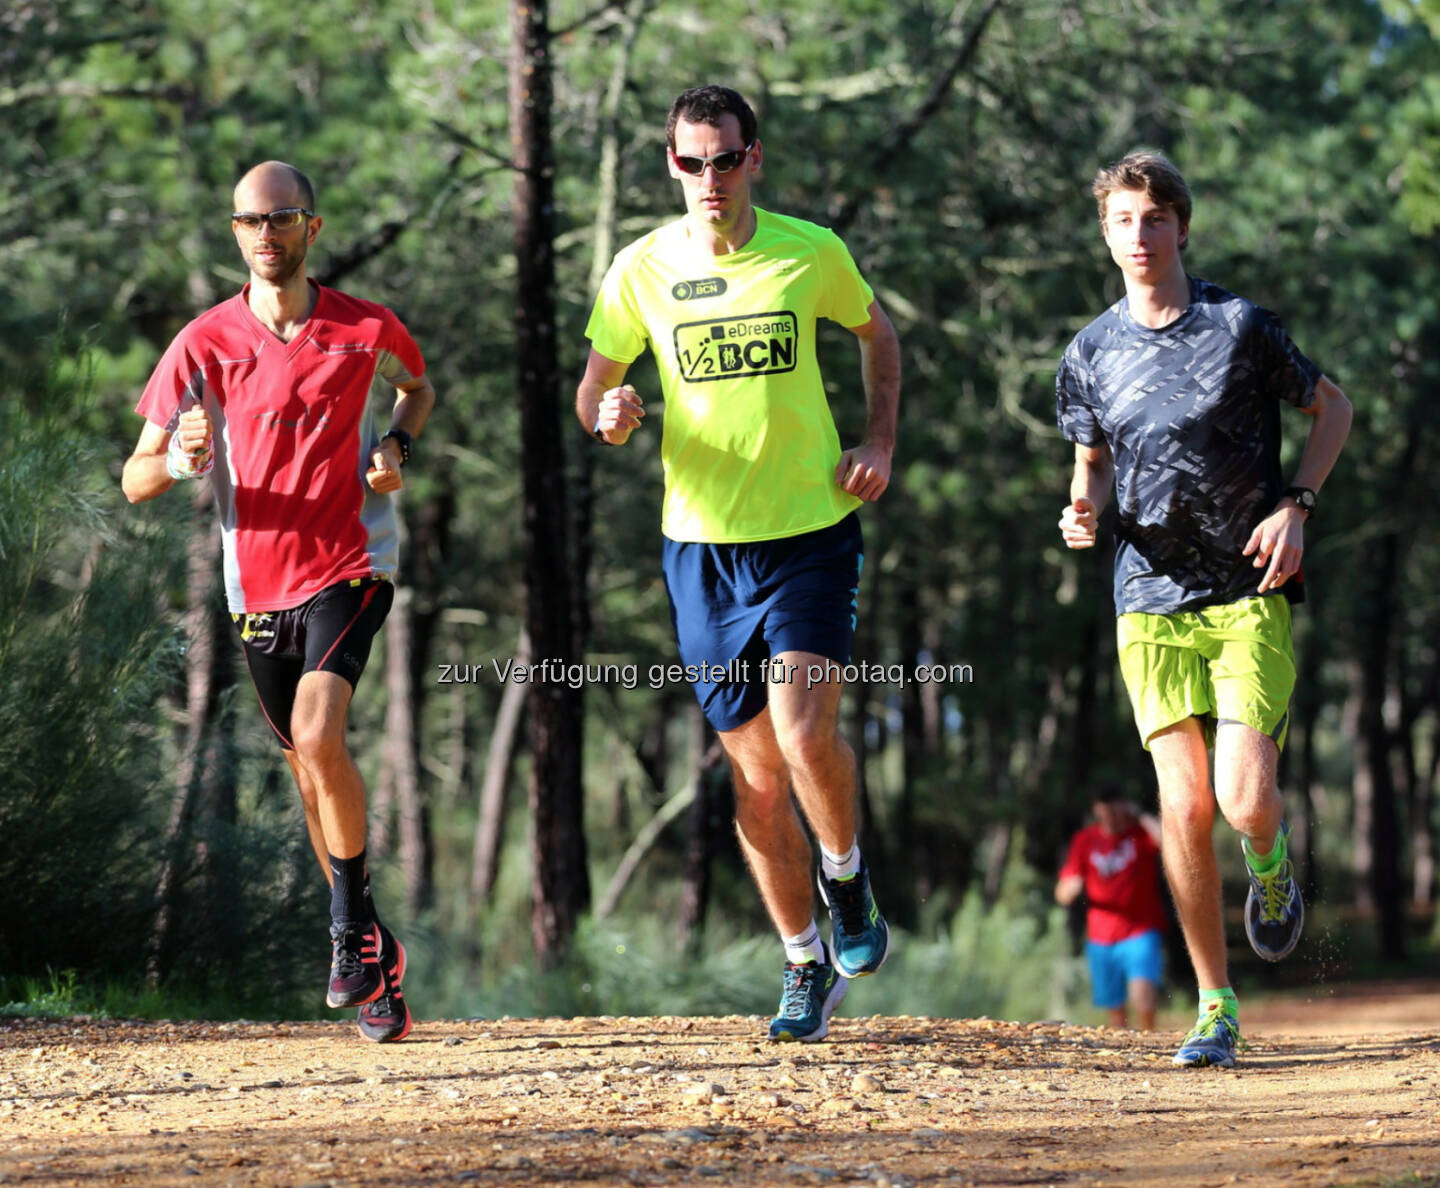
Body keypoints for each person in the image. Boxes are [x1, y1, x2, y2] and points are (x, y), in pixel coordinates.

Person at [576, 85, 901, 1042]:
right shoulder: (640, 270)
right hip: (702, 551)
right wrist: (609, 415)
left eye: (725, 159)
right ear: (670, 165)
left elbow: (879, 339)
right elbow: (595, 386)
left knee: (805, 738)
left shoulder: (810, 251)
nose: (709, 179)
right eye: (691, 162)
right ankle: (803, 961)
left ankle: (848, 882)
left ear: (754, 158)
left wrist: (878, 443)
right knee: (756, 782)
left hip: (810, 531)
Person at [122, 161, 435, 1043]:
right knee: (306, 770)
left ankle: (343, 934)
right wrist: (184, 459)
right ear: (235, 233)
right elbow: (135, 477)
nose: (267, 233)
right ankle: (373, 947)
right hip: (255, 585)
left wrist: (397, 448)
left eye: (283, 218)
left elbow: (418, 387)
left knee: (318, 733)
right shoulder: (203, 341)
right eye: (251, 222)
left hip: (353, 563)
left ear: (313, 228)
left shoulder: (365, 326)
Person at [1055, 150, 1352, 1068]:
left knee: (1241, 799)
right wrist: (1081, 512)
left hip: (1245, 590)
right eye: (1120, 222)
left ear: (1181, 224)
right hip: (1146, 600)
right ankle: (1215, 1007)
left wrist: (1295, 504)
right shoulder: (1089, 352)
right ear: (1104, 234)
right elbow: (1093, 465)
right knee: (1180, 810)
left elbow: (1331, 408)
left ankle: (1269, 864)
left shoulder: (1239, 326)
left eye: (1153, 219)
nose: (1138, 237)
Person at [1055, 794, 1166, 1031]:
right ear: (1097, 810)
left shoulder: (1139, 835)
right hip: (1101, 938)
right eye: (1106, 812)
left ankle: (1152, 1043)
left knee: (1143, 998)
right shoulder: (1085, 840)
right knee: (1116, 1012)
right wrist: (1071, 889)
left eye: (1117, 812)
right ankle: (1126, 1058)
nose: (1112, 819)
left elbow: (1168, 842)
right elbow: (1062, 891)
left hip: (1140, 931)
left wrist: (1141, 814)